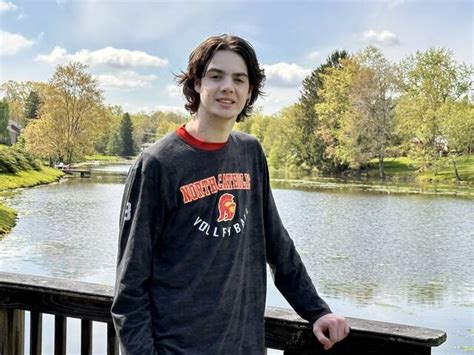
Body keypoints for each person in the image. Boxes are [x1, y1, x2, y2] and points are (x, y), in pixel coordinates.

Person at [111, 34, 349, 355]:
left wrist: (317, 310)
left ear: (250, 90)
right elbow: (130, 289)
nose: (228, 87)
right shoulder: (158, 164)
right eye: (215, 76)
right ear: (196, 84)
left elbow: (278, 245)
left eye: (239, 78)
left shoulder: (250, 152)